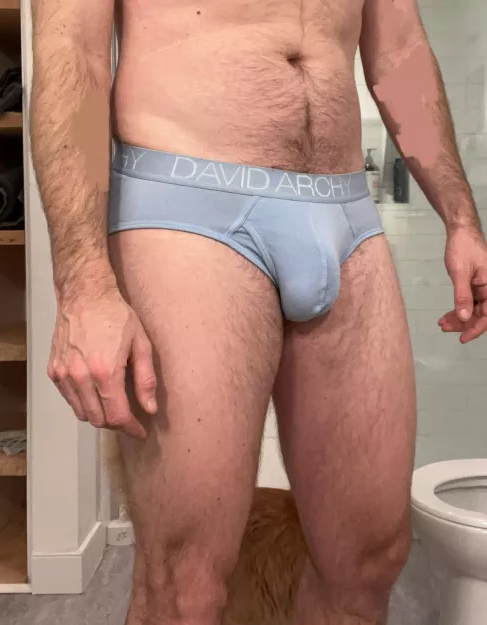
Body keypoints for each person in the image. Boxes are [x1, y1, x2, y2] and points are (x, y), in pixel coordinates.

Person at [30, 1, 487, 624]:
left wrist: (460, 217)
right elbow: (73, 51)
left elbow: (399, 51)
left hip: (347, 211)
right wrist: (84, 286)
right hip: (185, 202)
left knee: (370, 563)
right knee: (183, 587)